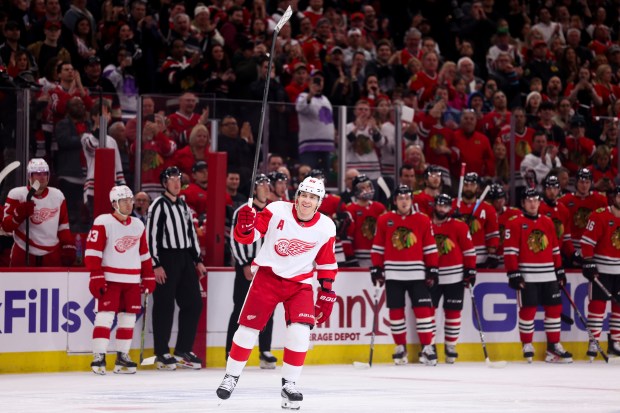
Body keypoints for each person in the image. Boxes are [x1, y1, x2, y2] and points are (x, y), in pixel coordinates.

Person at [216, 176, 338, 410]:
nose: (307, 201)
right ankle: (231, 376)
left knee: (301, 332)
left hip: (300, 284)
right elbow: (250, 236)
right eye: (304, 195)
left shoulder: (326, 226)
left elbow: (326, 262)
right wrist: (244, 226)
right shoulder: (276, 210)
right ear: (297, 196)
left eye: (313, 197)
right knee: (247, 330)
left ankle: (289, 384)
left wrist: (327, 291)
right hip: (268, 277)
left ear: (319, 202)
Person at [85, 185, 156, 375]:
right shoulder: (103, 222)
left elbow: (144, 254)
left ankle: (122, 356)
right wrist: (96, 275)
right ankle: (99, 356)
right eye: (124, 201)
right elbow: (92, 252)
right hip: (110, 279)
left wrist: (148, 275)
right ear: (114, 203)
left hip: (132, 281)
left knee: (128, 318)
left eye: (130, 200)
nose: (129, 204)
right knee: (105, 316)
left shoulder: (138, 225)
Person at [370, 185, 439, 365]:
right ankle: (400, 347)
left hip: (417, 274)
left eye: (407, 198)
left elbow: (430, 246)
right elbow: (378, 247)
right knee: (396, 312)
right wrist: (376, 267)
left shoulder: (423, 220)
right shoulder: (385, 220)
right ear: (395, 201)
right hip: (393, 274)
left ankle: (427, 347)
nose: (404, 201)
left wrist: (432, 267)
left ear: (411, 200)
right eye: (400, 198)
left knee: (424, 312)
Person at [147, 166, 206, 370]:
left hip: (184, 258)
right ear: (164, 183)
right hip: (165, 258)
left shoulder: (183, 206)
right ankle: (162, 351)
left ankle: (182, 350)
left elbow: (190, 235)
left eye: (178, 179)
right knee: (164, 305)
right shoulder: (157, 205)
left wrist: (197, 260)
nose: (176, 182)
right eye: (171, 179)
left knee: (193, 303)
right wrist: (155, 264)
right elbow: (151, 236)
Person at [504, 188, 573, 363]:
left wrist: (559, 270)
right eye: (529, 200)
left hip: (548, 275)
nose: (533, 204)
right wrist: (513, 272)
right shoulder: (514, 223)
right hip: (528, 275)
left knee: (554, 310)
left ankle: (553, 347)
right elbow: (510, 252)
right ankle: (527, 344)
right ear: (523, 203)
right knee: (528, 310)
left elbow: (555, 249)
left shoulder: (548, 222)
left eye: (536, 200)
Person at [226, 174, 277, 369]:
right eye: (261, 184)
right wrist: (245, 263)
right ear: (253, 189)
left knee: (267, 311)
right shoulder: (244, 210)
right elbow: (235, 239)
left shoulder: (273, 210)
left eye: (267, 184)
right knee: (240, 308)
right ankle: (231, 350)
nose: (266, 187)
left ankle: (265, 350)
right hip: (247, 267)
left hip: (267, 269)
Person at [2, 158, 75, 267]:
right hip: (23, 251)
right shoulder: (17, 194)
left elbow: (63, 227)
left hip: (51, 253)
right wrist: (18, 216)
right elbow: (6, 226)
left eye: (44, 174)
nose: (42, 177)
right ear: (29, 176)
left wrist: (68, 245)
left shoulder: (57, 195)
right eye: (37, 174)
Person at [430, 193, 476, 363]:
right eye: (440, 205)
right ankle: (430, 345)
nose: (442, 209)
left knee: (453, 312)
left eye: (446, 206)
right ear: (434, 206)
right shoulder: (426, 225)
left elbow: (469, 250)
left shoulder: (459, 226)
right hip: (432, 276)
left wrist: (470, 270)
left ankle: (451, 346)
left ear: (450, 208)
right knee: (429, 312)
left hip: (454, 276)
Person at [580, 185, 620, 360]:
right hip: (602, 269)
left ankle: (615, 342)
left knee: (619, 307)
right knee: (597, 306)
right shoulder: (599, 215)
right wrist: (588, 262)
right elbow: (587, 242)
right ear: (615, 197)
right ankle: (594, 342)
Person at [454, 173, 500, 268]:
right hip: (456, 257)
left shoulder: (487, 208)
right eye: (466, 185)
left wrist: (491, 254)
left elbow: (492, 233)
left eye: (472, 185)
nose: (469, 188)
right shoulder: (452, 205)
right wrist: (451, 219)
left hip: (480, 258)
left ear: (478, 188)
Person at [559, 168, 607, 254]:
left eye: (587, 182)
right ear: (576, 182)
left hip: (593, 245)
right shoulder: (564, 201)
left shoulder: (600, 200)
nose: (584, 185)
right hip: (570, 245)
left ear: (591, 183)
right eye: (581, 182)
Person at [345, 174, 386, 267]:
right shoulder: (351, 209)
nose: (367, 190)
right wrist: (351, 257)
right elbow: (347, 237)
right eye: (363, 187)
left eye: (368, 186)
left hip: (377, 254)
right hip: (358, 256)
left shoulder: (379, 207)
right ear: (356, 190)